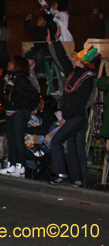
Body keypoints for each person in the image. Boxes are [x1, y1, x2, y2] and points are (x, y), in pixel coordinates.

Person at [47, 30, 98, 187]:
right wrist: (54, 42)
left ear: (82, 61)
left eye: (75, 57)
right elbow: (62, 59)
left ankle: (61, 173)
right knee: (72, 148)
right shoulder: (73, 73)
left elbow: (80, 102)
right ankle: (77, 180)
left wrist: (66, 117)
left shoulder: (87, 79)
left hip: (77, 117)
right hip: (72, 116)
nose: (72, 58)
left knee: (57, 141)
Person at [0, 55, 39, 178]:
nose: (9, 64)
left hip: (19, 112)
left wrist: (26, 108)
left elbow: (34, 95)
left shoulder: (21, 79)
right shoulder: (9, 76)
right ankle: (12, 164)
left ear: (17, 65)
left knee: (18, 139)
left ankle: (21, 167)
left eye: (12, 62)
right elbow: (4, 59)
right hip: (9, 111)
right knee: (11, 139)